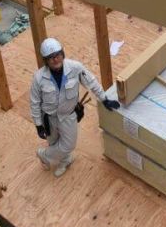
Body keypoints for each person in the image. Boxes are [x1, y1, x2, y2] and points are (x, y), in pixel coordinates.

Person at [30, 37, 120, 178]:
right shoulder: (38, 78)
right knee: (53, 142)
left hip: (68, 115)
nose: (55, 59)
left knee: (68, 145)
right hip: (49, 117)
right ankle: (64, 161)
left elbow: (91, 82)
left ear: (63, 54)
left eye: (58, 55)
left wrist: (104, 99)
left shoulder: (75, 68)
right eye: (51, 57)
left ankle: (43, 155)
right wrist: (38, 125)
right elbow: (35, 102)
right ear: (45, 60)